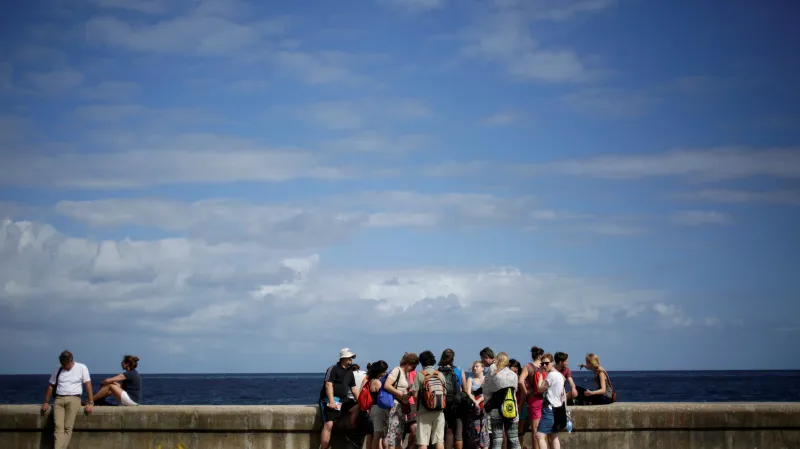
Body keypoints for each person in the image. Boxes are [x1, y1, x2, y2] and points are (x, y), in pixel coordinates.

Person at [40, 350, 93, 449]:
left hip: (74, 399)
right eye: (62, 364)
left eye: (65, 364)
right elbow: (51, 386)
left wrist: (90, 402)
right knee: (58, 428)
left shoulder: (81, 367)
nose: (63, 366)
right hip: (59, 399)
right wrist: (46, 402)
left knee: (68, 427)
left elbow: (88, 385)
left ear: (70, 361)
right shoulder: (57, 369)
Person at [319, 348, 361, 449]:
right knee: (329, 425)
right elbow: (328, 384)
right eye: (349, 358)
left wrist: (361, 403)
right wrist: (332, 401)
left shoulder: (350, 372)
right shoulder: (333, 369)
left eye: (351, 358)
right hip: (332, 400)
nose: (351, 360)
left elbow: (354, 389)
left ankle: (351, 433)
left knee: (357, 407)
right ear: (343, 358)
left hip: (344, 400)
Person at [483, 352, 521, 449]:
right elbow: (515, 390)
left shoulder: (494, 374)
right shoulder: (513, 375)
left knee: (497, 439)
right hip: (510, 407)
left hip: (496, 409)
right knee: (514, 439)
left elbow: (488, 390)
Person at [411, 350, 447, 449]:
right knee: (439, 440)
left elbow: (415, 394)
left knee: (423, 442)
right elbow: (445, 393)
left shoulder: (420, 375)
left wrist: (417, 406)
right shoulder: (440, 374)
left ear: (421, 362)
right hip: (439, 412)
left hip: (424, 412)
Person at [384, 352, 420, 449]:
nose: (414, 369)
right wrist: (401, 394)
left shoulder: (405, 373)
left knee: (398, 434)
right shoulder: (397, 370)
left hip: (402, 406)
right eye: (413, 366)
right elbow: (387, 385)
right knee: (393, 434)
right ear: (408, 363)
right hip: (395, 405)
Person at [535, 354, 565, 449]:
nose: (544, 365)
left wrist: (540, 373)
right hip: (558, 409)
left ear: (552, 363)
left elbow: (539, 389)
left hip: (549, 409)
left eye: (547, 363)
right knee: (554, 435)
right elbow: (563, 394)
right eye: (542, 363)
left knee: (539, 435)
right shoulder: (560, 375)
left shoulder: (551, 376)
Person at [438, 348, 466, 449]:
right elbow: (465, 389)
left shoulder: (438, 371)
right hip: (456, 404)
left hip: (442, 403)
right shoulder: (459, 370)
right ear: (453, 359)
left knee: (443, 432)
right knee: (458, 432)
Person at [518, 346, 544, 449]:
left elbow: (520, 381)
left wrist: (526, 392)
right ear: (541, 356)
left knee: (535, 429)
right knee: (545, 429)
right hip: (545, 398)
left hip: (534, 399)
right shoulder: (545, 366)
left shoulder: (528, 366)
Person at [464, 361, 489, 449]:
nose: (475, 368)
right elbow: (468, 392)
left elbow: (488, 392)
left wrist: (479, 401)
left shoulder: (486, 379)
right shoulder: (471, 379)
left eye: (477, 366)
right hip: (475, 408)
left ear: (483, 368)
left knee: (485, 430)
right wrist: (475, 402)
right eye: (474, 367)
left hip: (485, 406)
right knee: (476, 429)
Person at [366, 361, 389, 449]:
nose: (384, 373)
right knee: (377, 435)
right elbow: (382, 396)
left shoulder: (371, 380)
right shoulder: (377, 382)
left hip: (374, 408)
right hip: (378, 409)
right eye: (383, 371)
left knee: (377, 434)